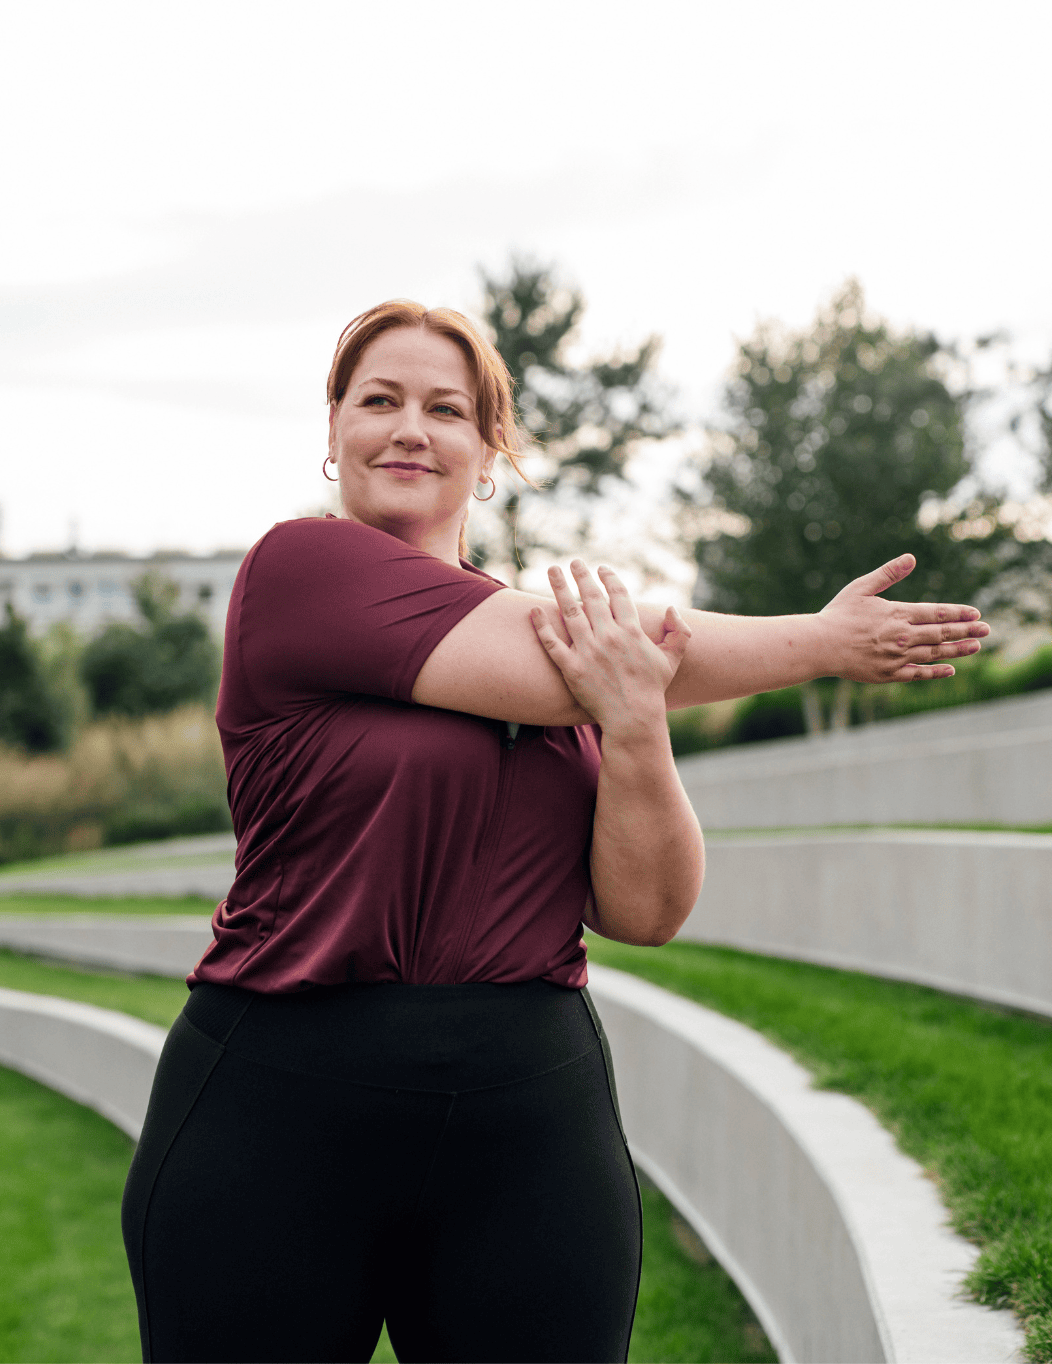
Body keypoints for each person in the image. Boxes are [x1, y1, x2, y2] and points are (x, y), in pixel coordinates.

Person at [119, 299, 989, 1363]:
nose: (409, 429)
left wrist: (634, 724)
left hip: (524, 1115)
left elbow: (645, 910)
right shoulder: (298, 574)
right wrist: (816, 638)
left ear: (487, 452)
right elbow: (573, 655)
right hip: (279, 1105)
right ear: (332, 429)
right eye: (378, 400)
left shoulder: (589, 679)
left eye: (447, 409)